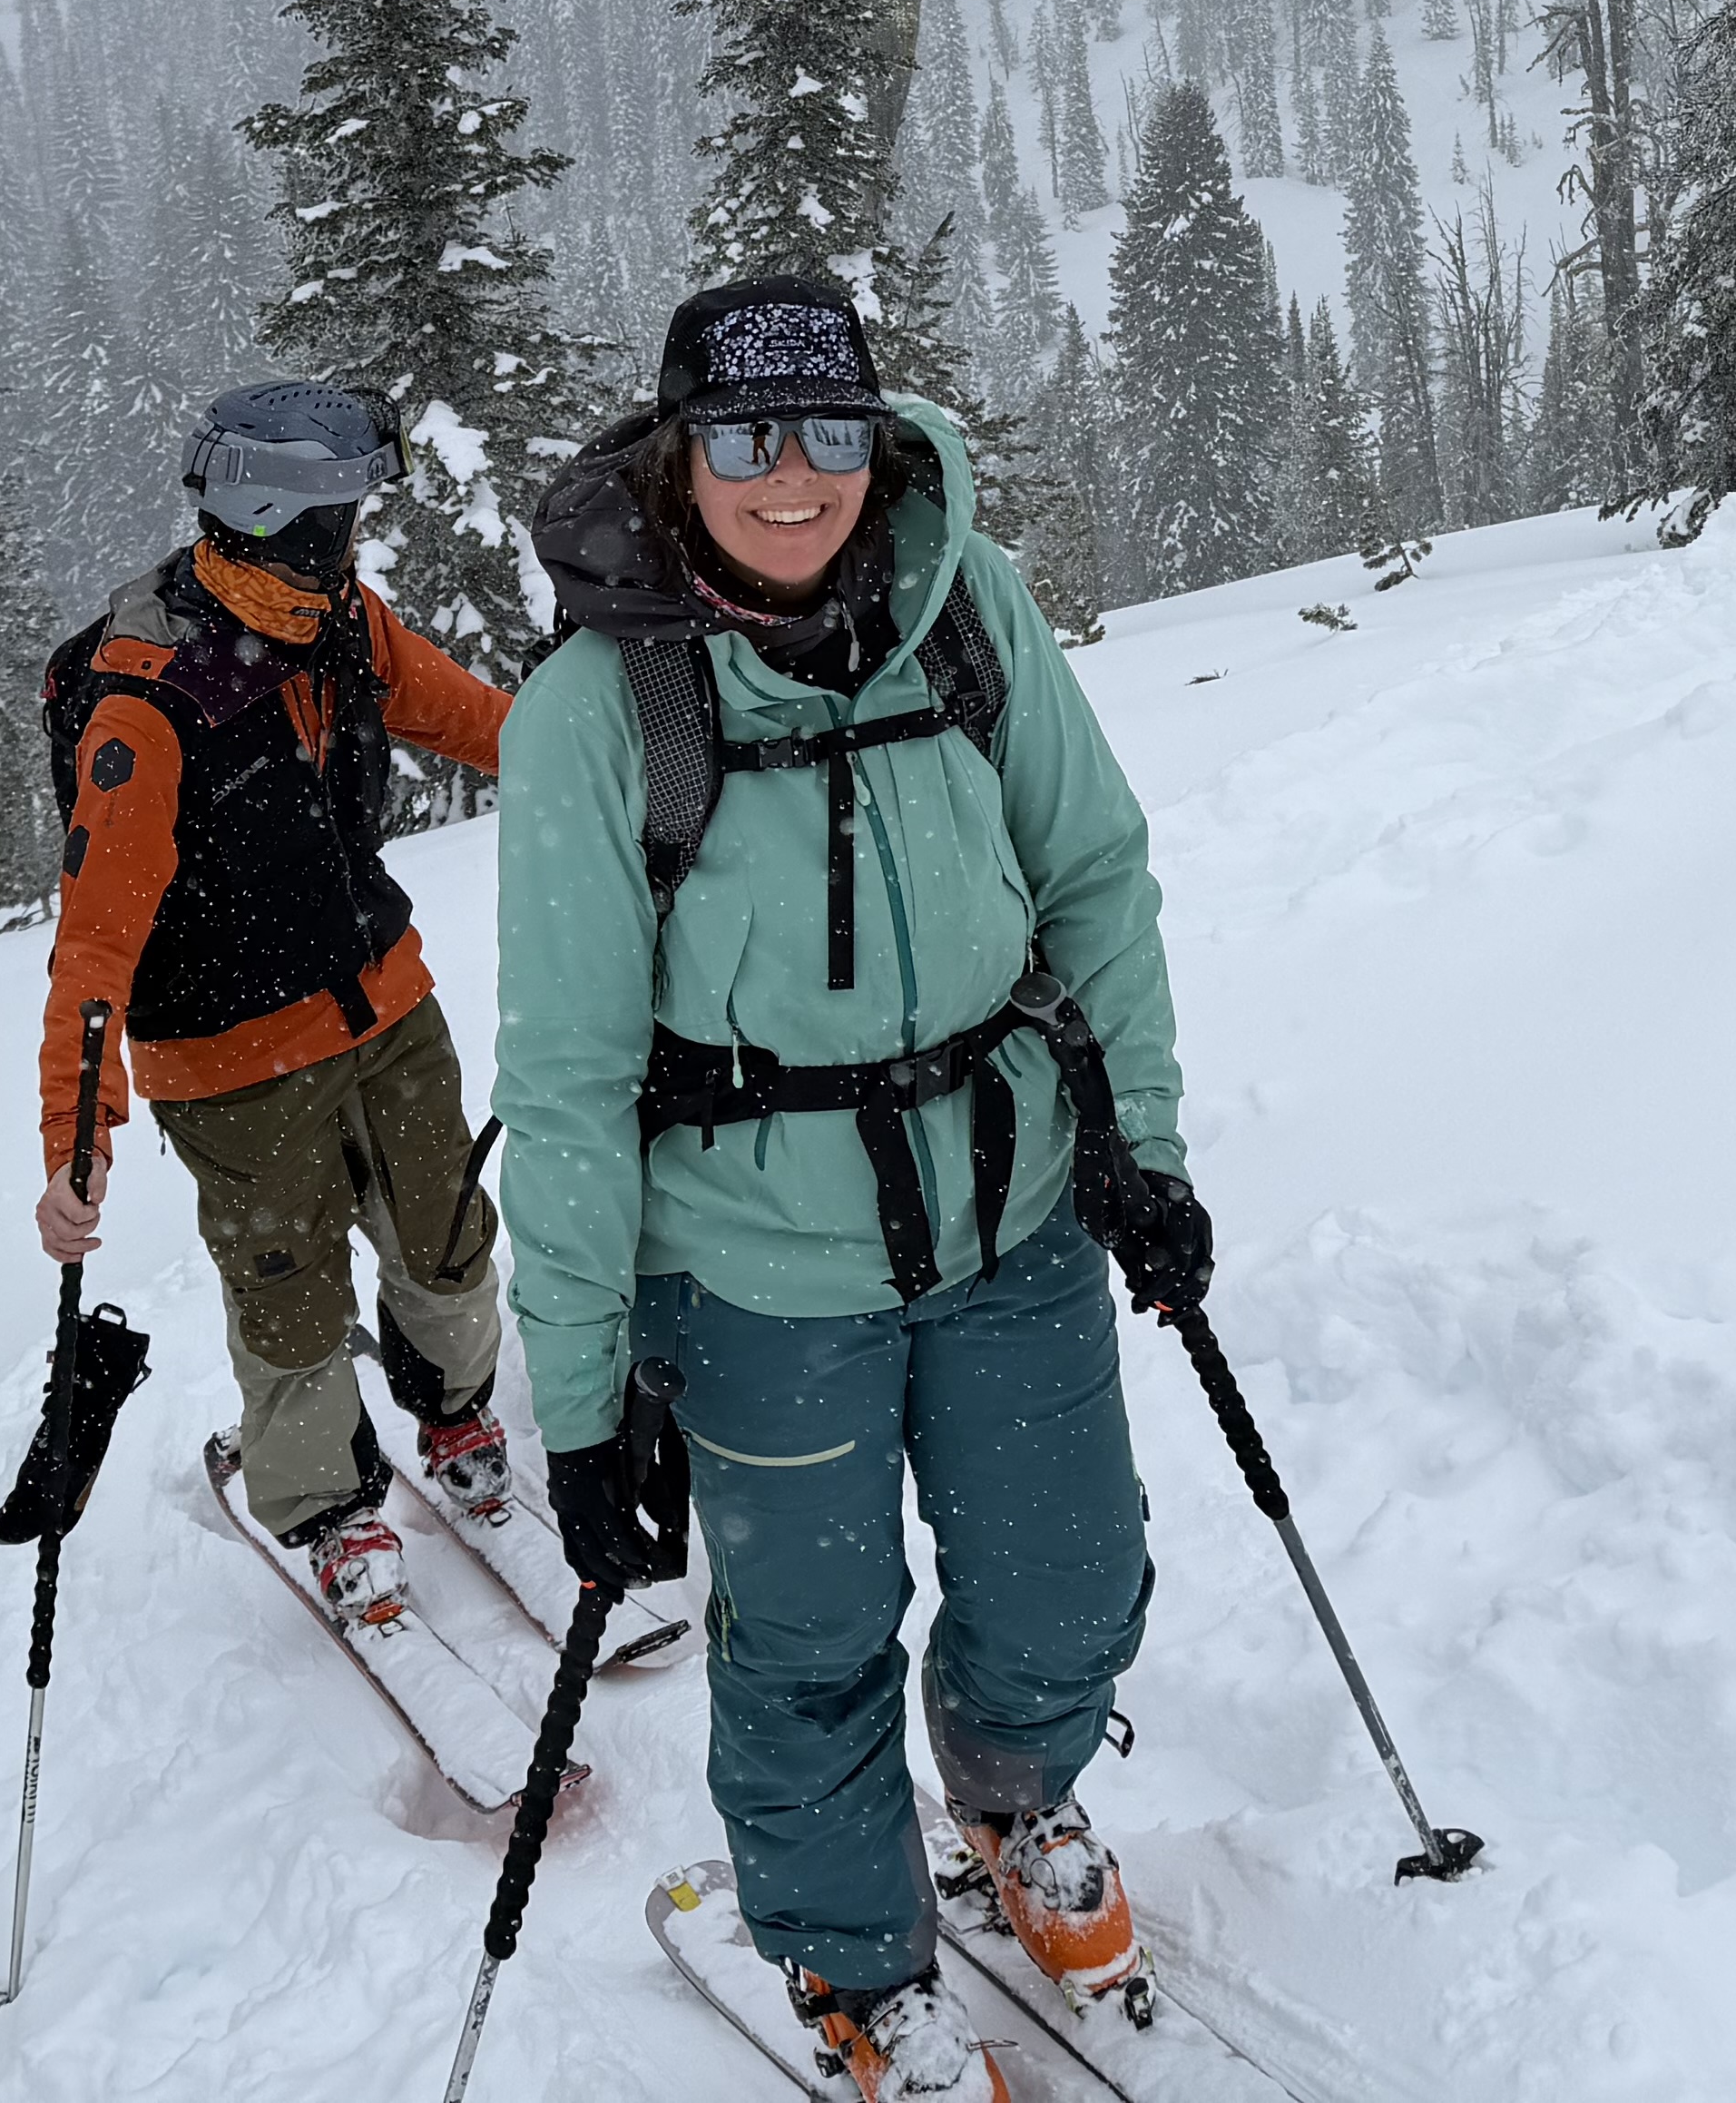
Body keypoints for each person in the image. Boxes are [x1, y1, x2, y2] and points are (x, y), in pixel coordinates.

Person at [498, 276, 1214, 2103]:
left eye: (830, 432)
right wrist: (580, 1412)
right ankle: (862, 1966)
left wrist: (1144, 1152)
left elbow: (1098, 881)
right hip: (753, 1279)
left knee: (1072, 1589)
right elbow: (569, 1084)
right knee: (809, 1653)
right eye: (745, 438)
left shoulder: (967, 612)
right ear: (680, 461)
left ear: (882, 443)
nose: (793, 478)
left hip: (1011, 1215)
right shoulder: (599, 714)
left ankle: (1008, 1794)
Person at [31, 379, 516, 1623]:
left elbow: (475, 722)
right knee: (291, 1300)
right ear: (274, 517)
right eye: (337, 517)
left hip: (387, 1009)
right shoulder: (147, 702)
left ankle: (453, 1417)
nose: (352, 539)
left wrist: (612, 766)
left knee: (449, 1236)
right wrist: (75, 1145)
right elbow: (93, 948)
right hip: (235, 1071)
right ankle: (331, 1513)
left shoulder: (340, 623)